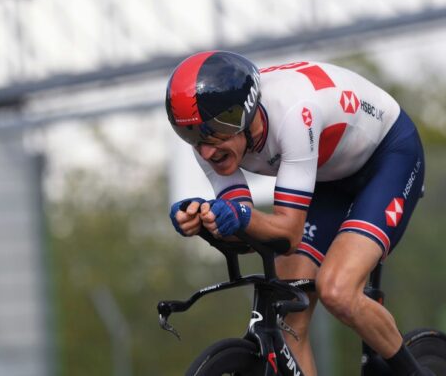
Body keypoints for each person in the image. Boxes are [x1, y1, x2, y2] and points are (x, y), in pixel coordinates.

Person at [166, 50, 429, 376]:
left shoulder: (293, 114)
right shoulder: (210, 146)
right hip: (326, 174)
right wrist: (204, 219)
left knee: (338, 291)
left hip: (388, 157)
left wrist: (240, 218)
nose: (205, 150)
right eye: (190, 135)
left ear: (244, 115)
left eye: (213, 134)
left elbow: (286, 236)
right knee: (289, 312)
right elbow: (249, 233)